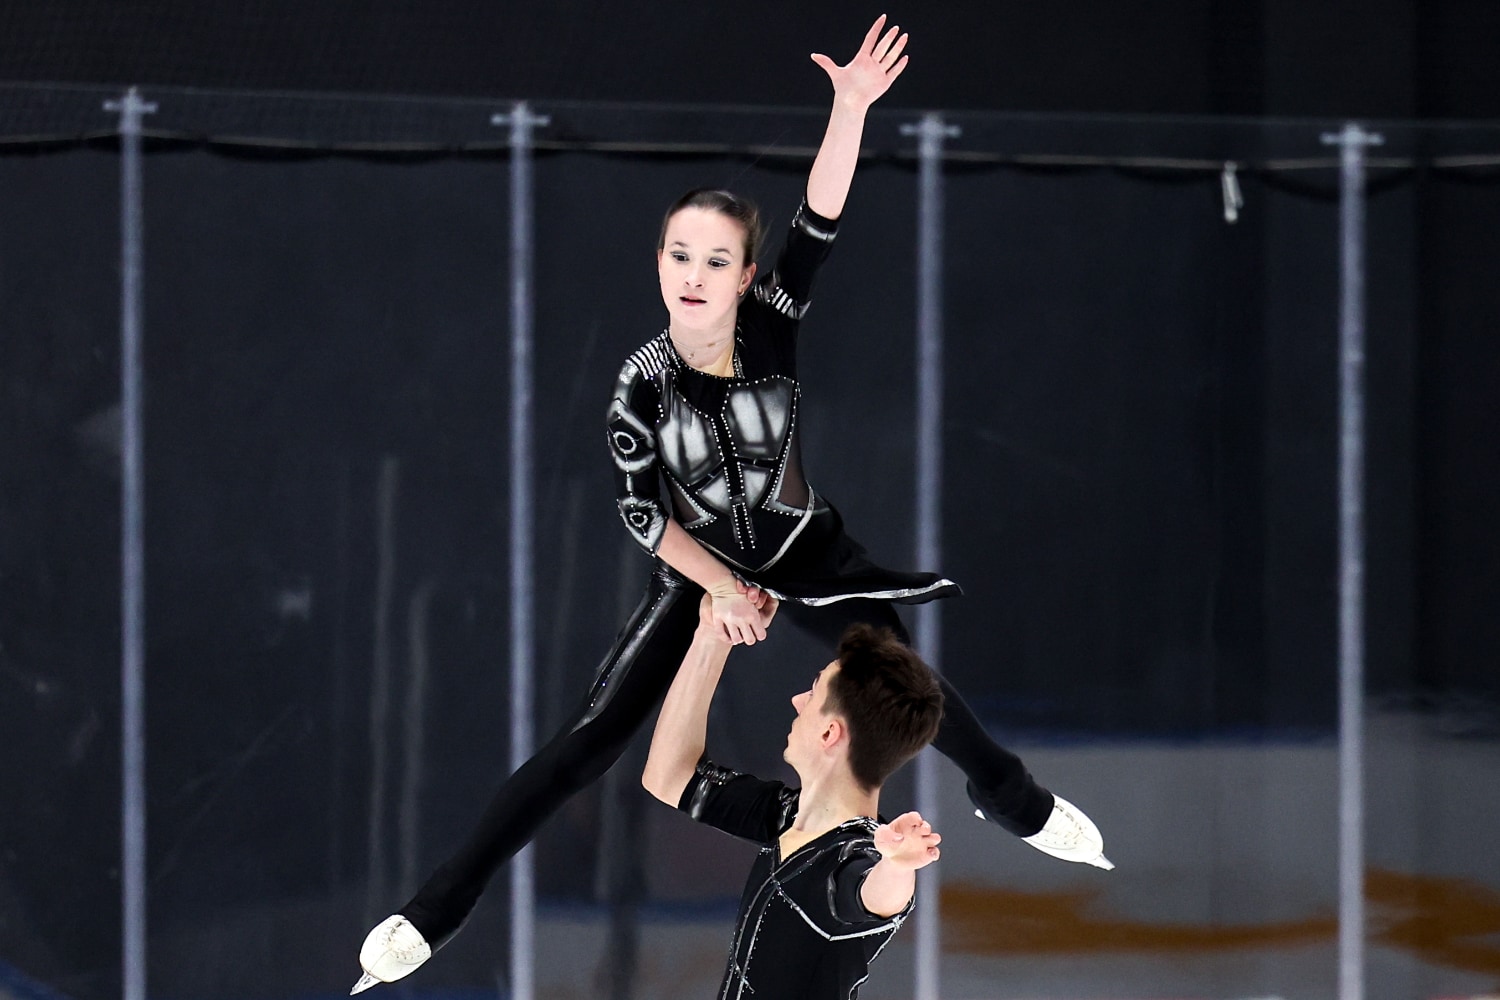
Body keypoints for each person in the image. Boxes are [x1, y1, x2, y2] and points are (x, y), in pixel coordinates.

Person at [352, 15, 1109, 993]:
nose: (695, 276)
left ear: (747, 276)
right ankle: (433, 910)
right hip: (701, 566)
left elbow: (820, 218)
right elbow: (643, 516)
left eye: (717, 261)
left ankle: (1014, 797)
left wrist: (849, 109)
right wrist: (718, 590)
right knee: (588, 741)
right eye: (680, 256)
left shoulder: (774, 319)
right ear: (659, 264)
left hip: (804, 549)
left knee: (906, 684)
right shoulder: (640, 384)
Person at [640, 594, 942, 1000]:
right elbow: (670, 776)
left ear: (829, 733)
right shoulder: (787, 816)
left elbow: (872, 895)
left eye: (813, 693)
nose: (798, 701)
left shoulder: (853, 854)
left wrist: (898, 864)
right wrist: (713, 636)